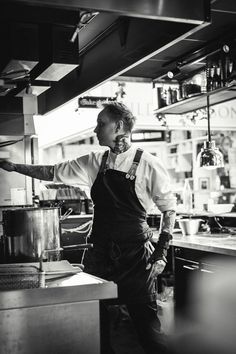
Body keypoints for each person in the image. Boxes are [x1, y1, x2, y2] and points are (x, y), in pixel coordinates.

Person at [0, 102, 176, 353]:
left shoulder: (148, 163)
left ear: (119, 126)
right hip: (101, 254)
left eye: (101, 123)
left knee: (147, 328)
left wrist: (161, 251)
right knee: (95, 319)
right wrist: (16, 167)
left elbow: (169, 208)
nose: (95, 129)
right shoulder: (95, 161)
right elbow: (52, 171)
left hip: (136, 257)